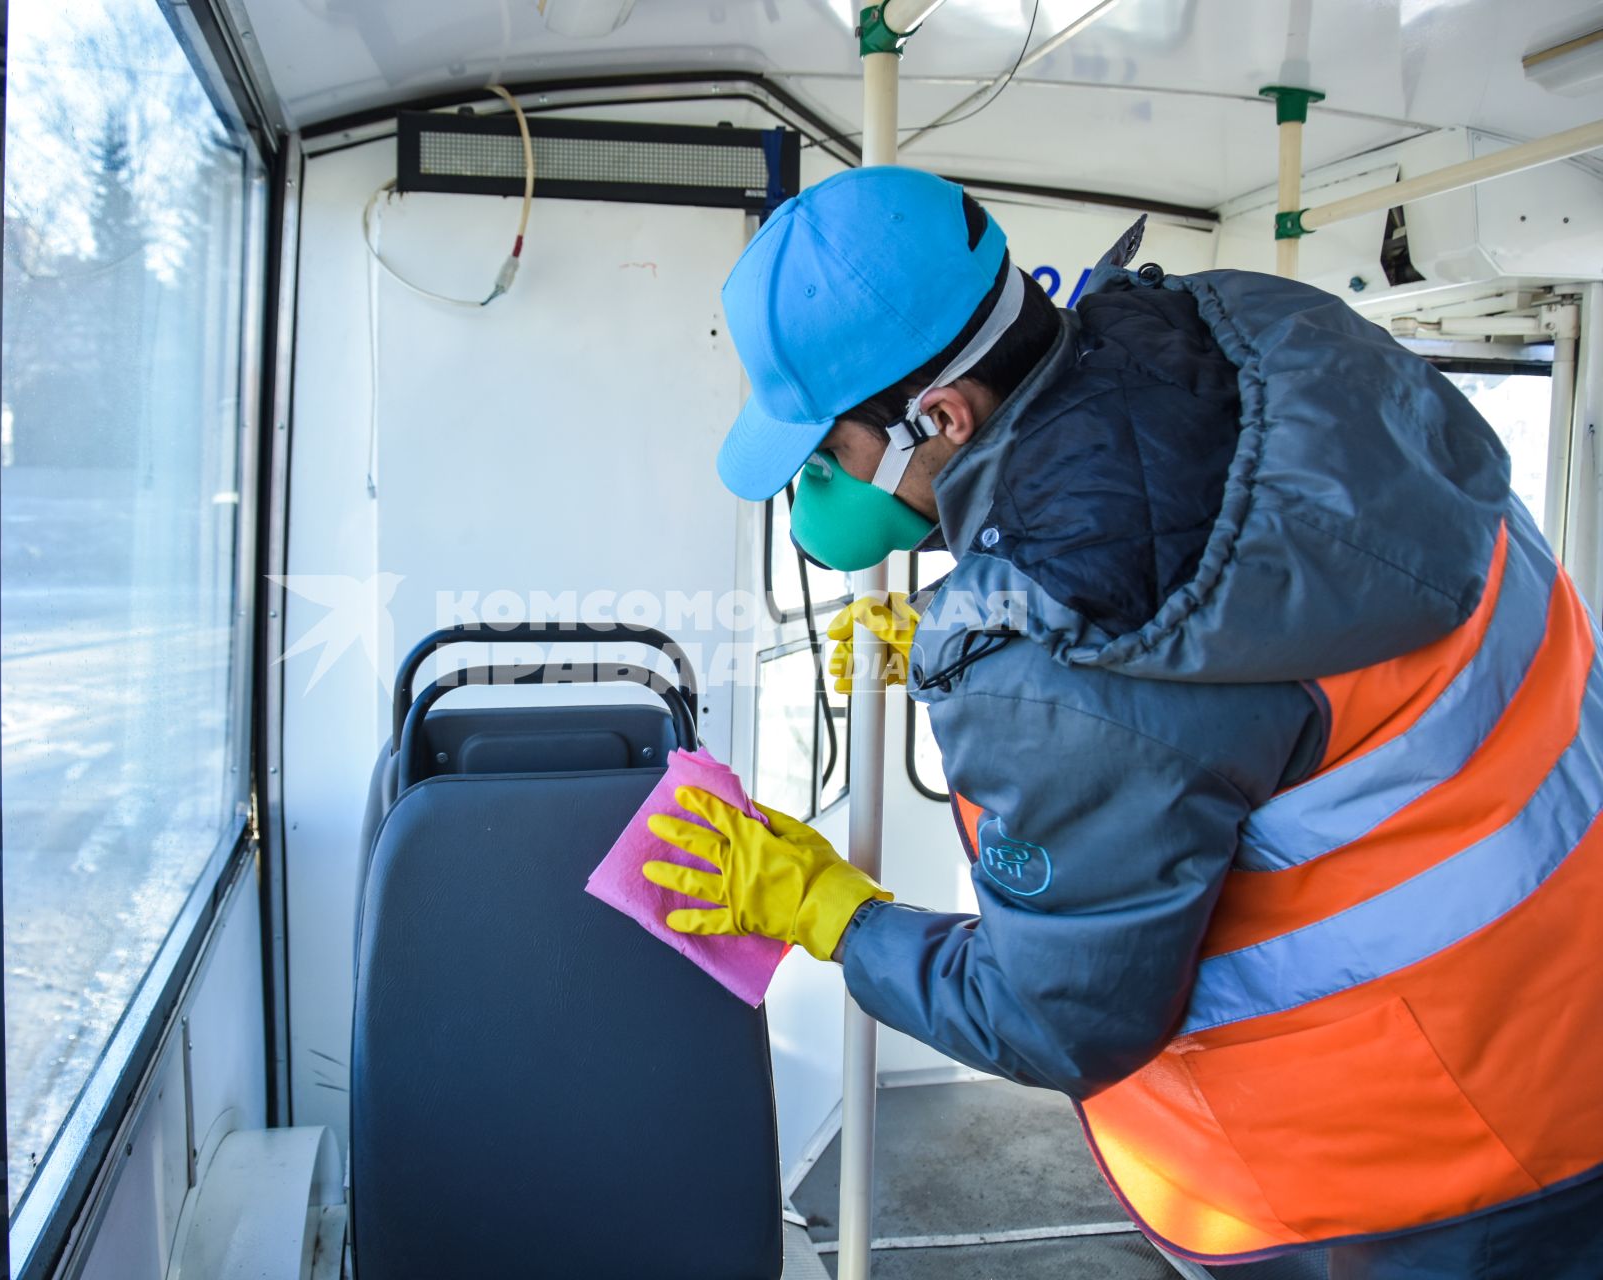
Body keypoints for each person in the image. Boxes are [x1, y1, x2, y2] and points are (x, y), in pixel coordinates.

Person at [640, 165, 1603, 1279]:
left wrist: (828, 908)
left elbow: (1057, 1018)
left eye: (826, 452)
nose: (814, 486)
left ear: (939, 416)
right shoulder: (1262, 338)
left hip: (1415, 1181)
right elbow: (1258, 643)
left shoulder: (1065, 657)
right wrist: (984, 620)